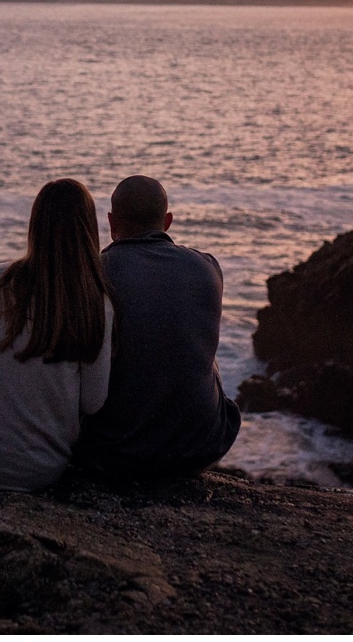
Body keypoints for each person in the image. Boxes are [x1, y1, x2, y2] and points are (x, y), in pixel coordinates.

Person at [0, 178, 115, 491]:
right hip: (30, 469)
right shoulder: (96, 304)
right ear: (89, 229)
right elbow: (93, 403)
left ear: (34, 225)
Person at [74, 175, 241, 478]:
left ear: (111, 222)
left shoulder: (94, 274)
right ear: (167, 221)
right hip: (202, 448)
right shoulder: (207, 268)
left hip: (114, 454)